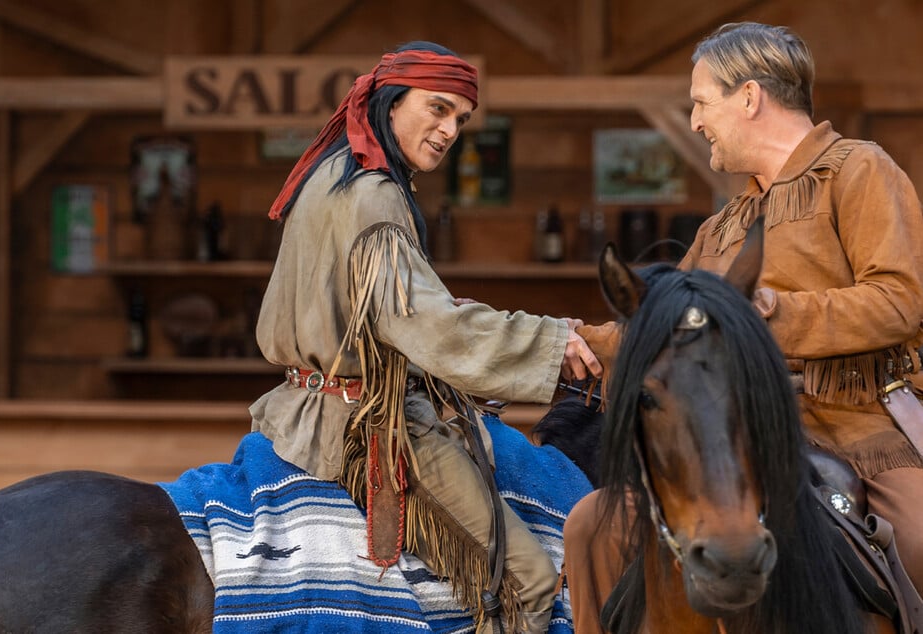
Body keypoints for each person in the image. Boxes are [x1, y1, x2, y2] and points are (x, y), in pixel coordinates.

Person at [562, 21, 923, 632]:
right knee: (592, 526)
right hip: (728, 439)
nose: (696, 120)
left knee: (918, 538)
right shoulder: (721, 227)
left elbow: (900, 299)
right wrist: (565, 342)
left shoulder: (858, 170)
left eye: (702, 102)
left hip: (863, 433)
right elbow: (660, 329)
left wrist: (773, 316)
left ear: (749, 97)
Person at [250, 41, 602, 634]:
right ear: (390, 101)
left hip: (308, 402)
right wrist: (550, 345)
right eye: (436, 109)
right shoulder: (375, 193)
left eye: (460, 119)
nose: (448, 130)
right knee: (531, 581)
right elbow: (430, 329)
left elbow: (392, 312)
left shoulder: (335, 173)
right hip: (364, 423)